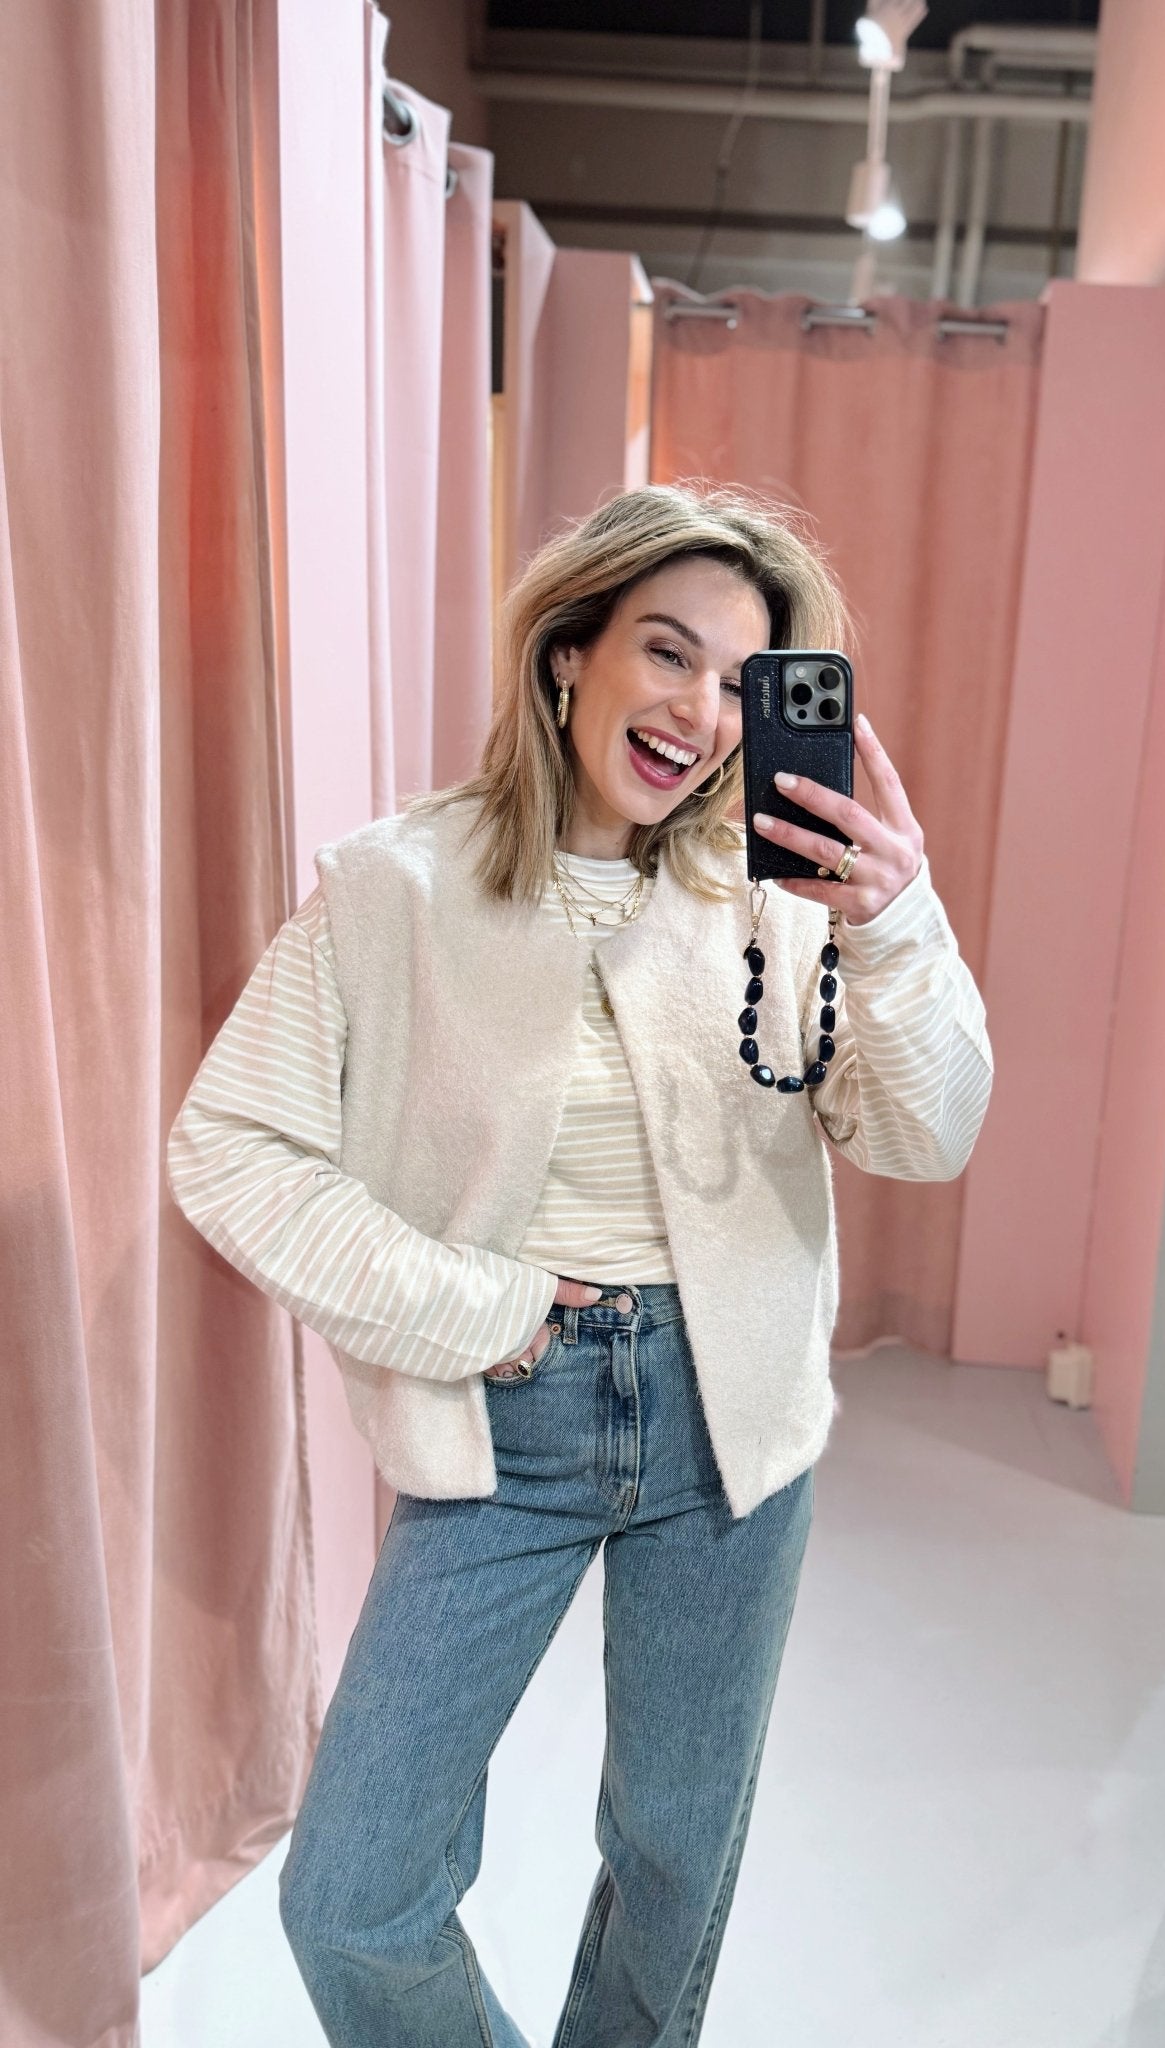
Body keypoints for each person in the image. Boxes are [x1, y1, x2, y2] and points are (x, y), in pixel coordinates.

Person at [166, 480, 993, 2047]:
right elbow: (230, 1147)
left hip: (731, 1423)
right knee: (353, 1891)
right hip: (510, 1411)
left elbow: (929, 1134)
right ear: (571, 655)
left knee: (674, 1864)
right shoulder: (396, 886)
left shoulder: (780, 900)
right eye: (666, 652)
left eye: (740, 683)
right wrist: (471, 1308)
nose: (699, 711)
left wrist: (894, 926)